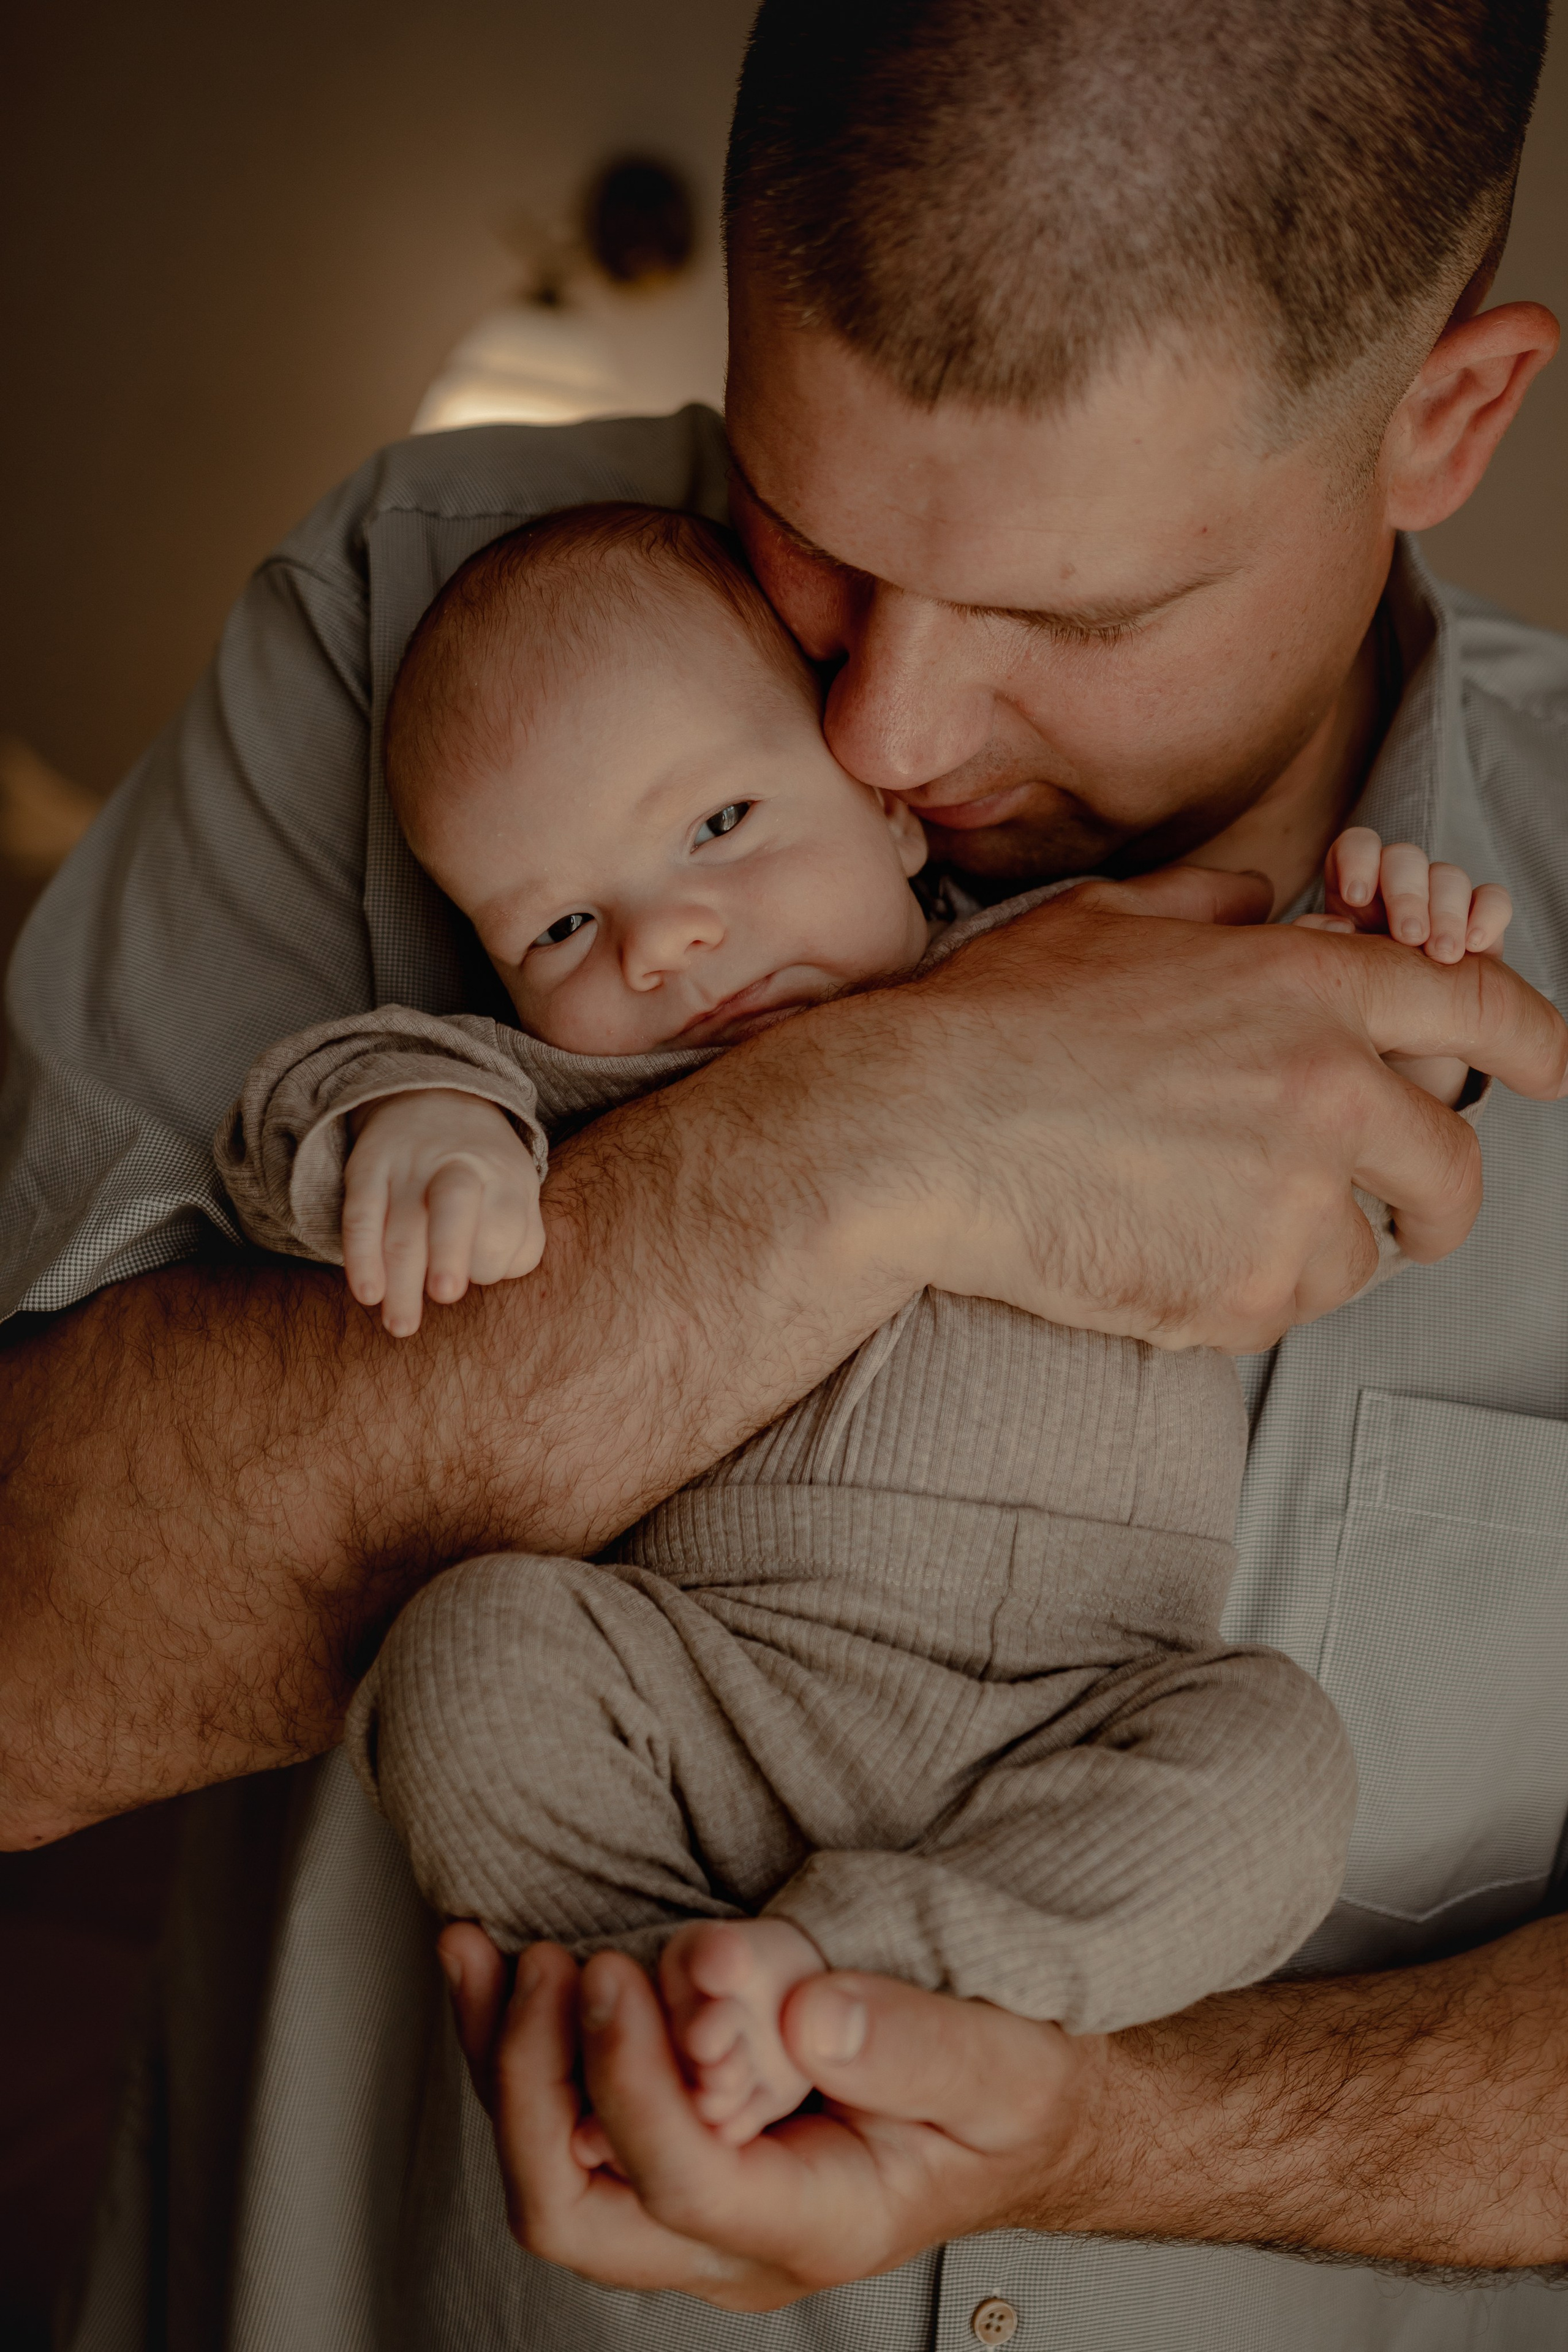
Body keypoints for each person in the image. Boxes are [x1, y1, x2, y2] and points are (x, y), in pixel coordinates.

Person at [2, 1, 1566, 2347]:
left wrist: (1097, 2127)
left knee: (1271, 1768)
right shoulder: (443, 633)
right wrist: (882, 1129)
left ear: (1447, 416)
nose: (881, 734)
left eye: (1071, 614)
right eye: (809, 539)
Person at [220, 500, 1417, 2137]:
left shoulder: (1091, 977)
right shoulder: (588, 1088)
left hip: (1091, 1701)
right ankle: (646, 1990)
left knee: (1280, 1766)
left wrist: (1389, 984)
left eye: (719, 821)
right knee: (466, 1660)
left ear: (895, 814)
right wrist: (411, 1122)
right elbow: (306, 1100)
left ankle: (858, 1978)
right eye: (558, 927)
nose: (665, 940)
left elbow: (1319, 1128)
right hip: (718, 1687)